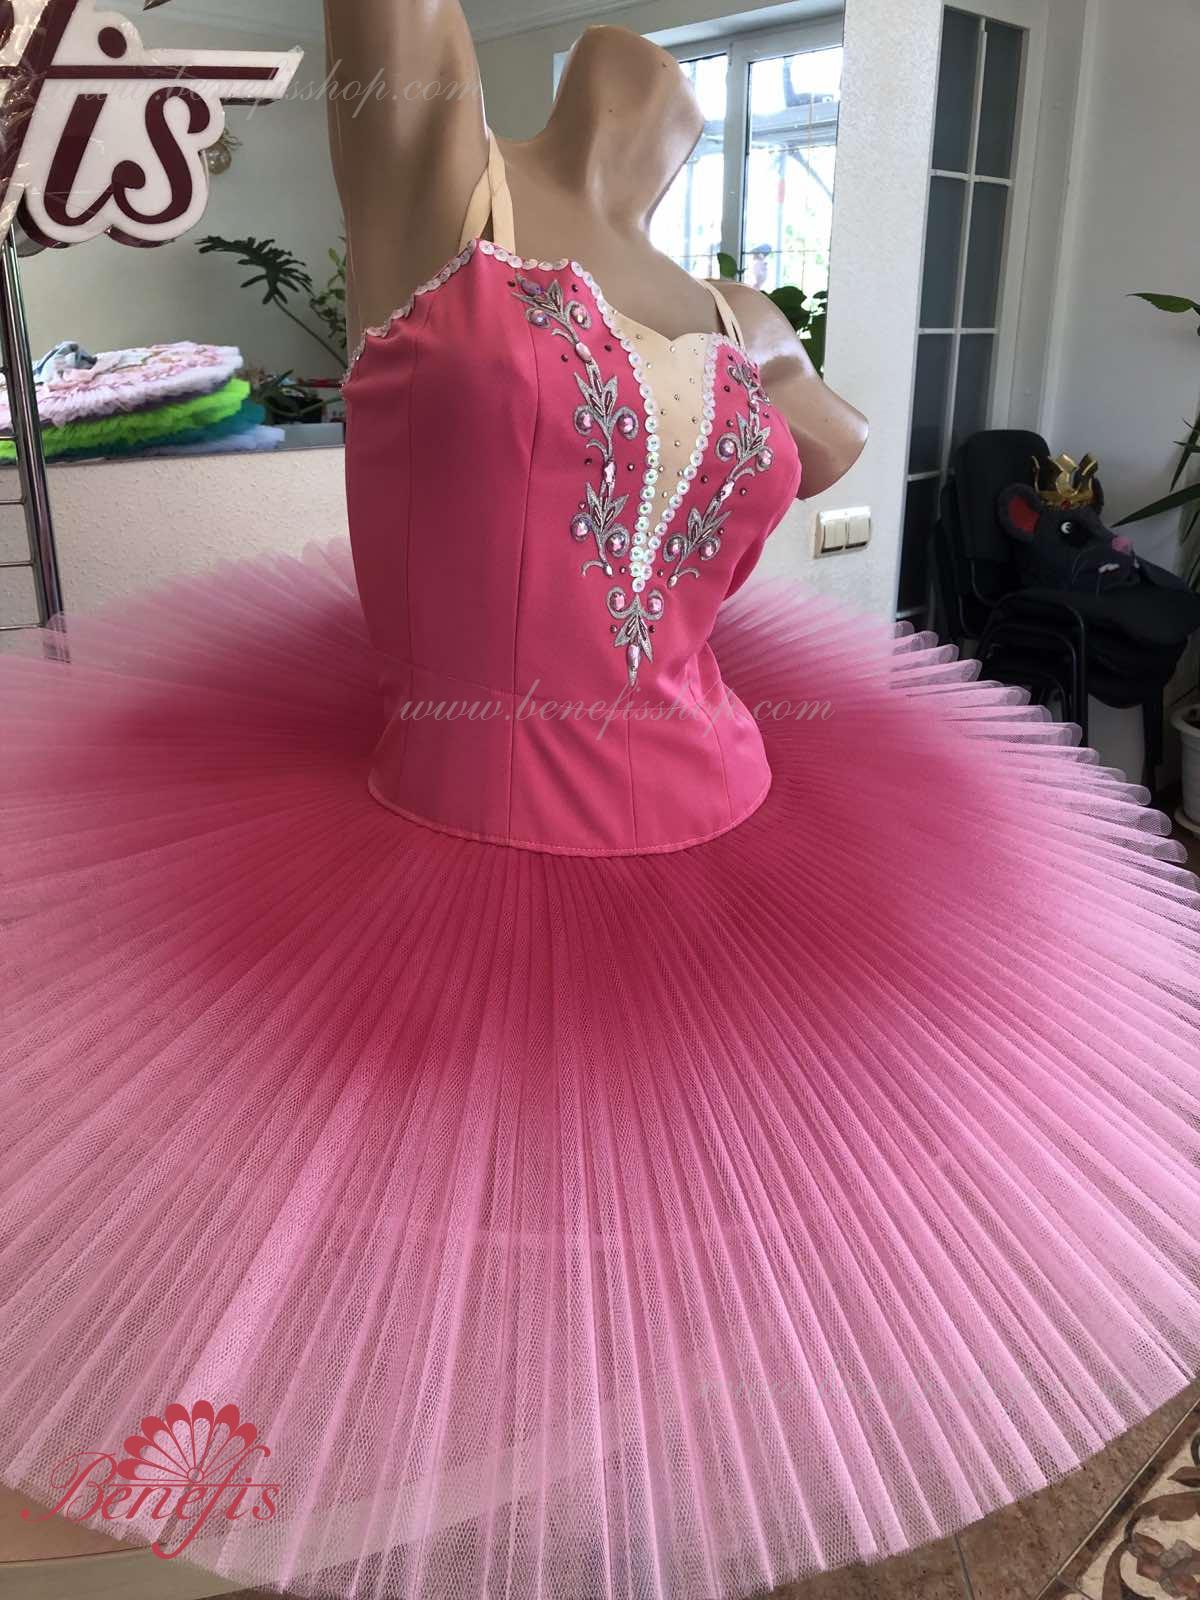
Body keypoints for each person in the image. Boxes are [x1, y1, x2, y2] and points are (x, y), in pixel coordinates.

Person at [0, 7, 1196, 1600]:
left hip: (736, 821)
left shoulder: (742, 315)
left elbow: (829, 441)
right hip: (451, 824)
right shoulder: (446, 175)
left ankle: (587, 1514)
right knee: (415, 1278)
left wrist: (766, 355)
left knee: (667, 1261)